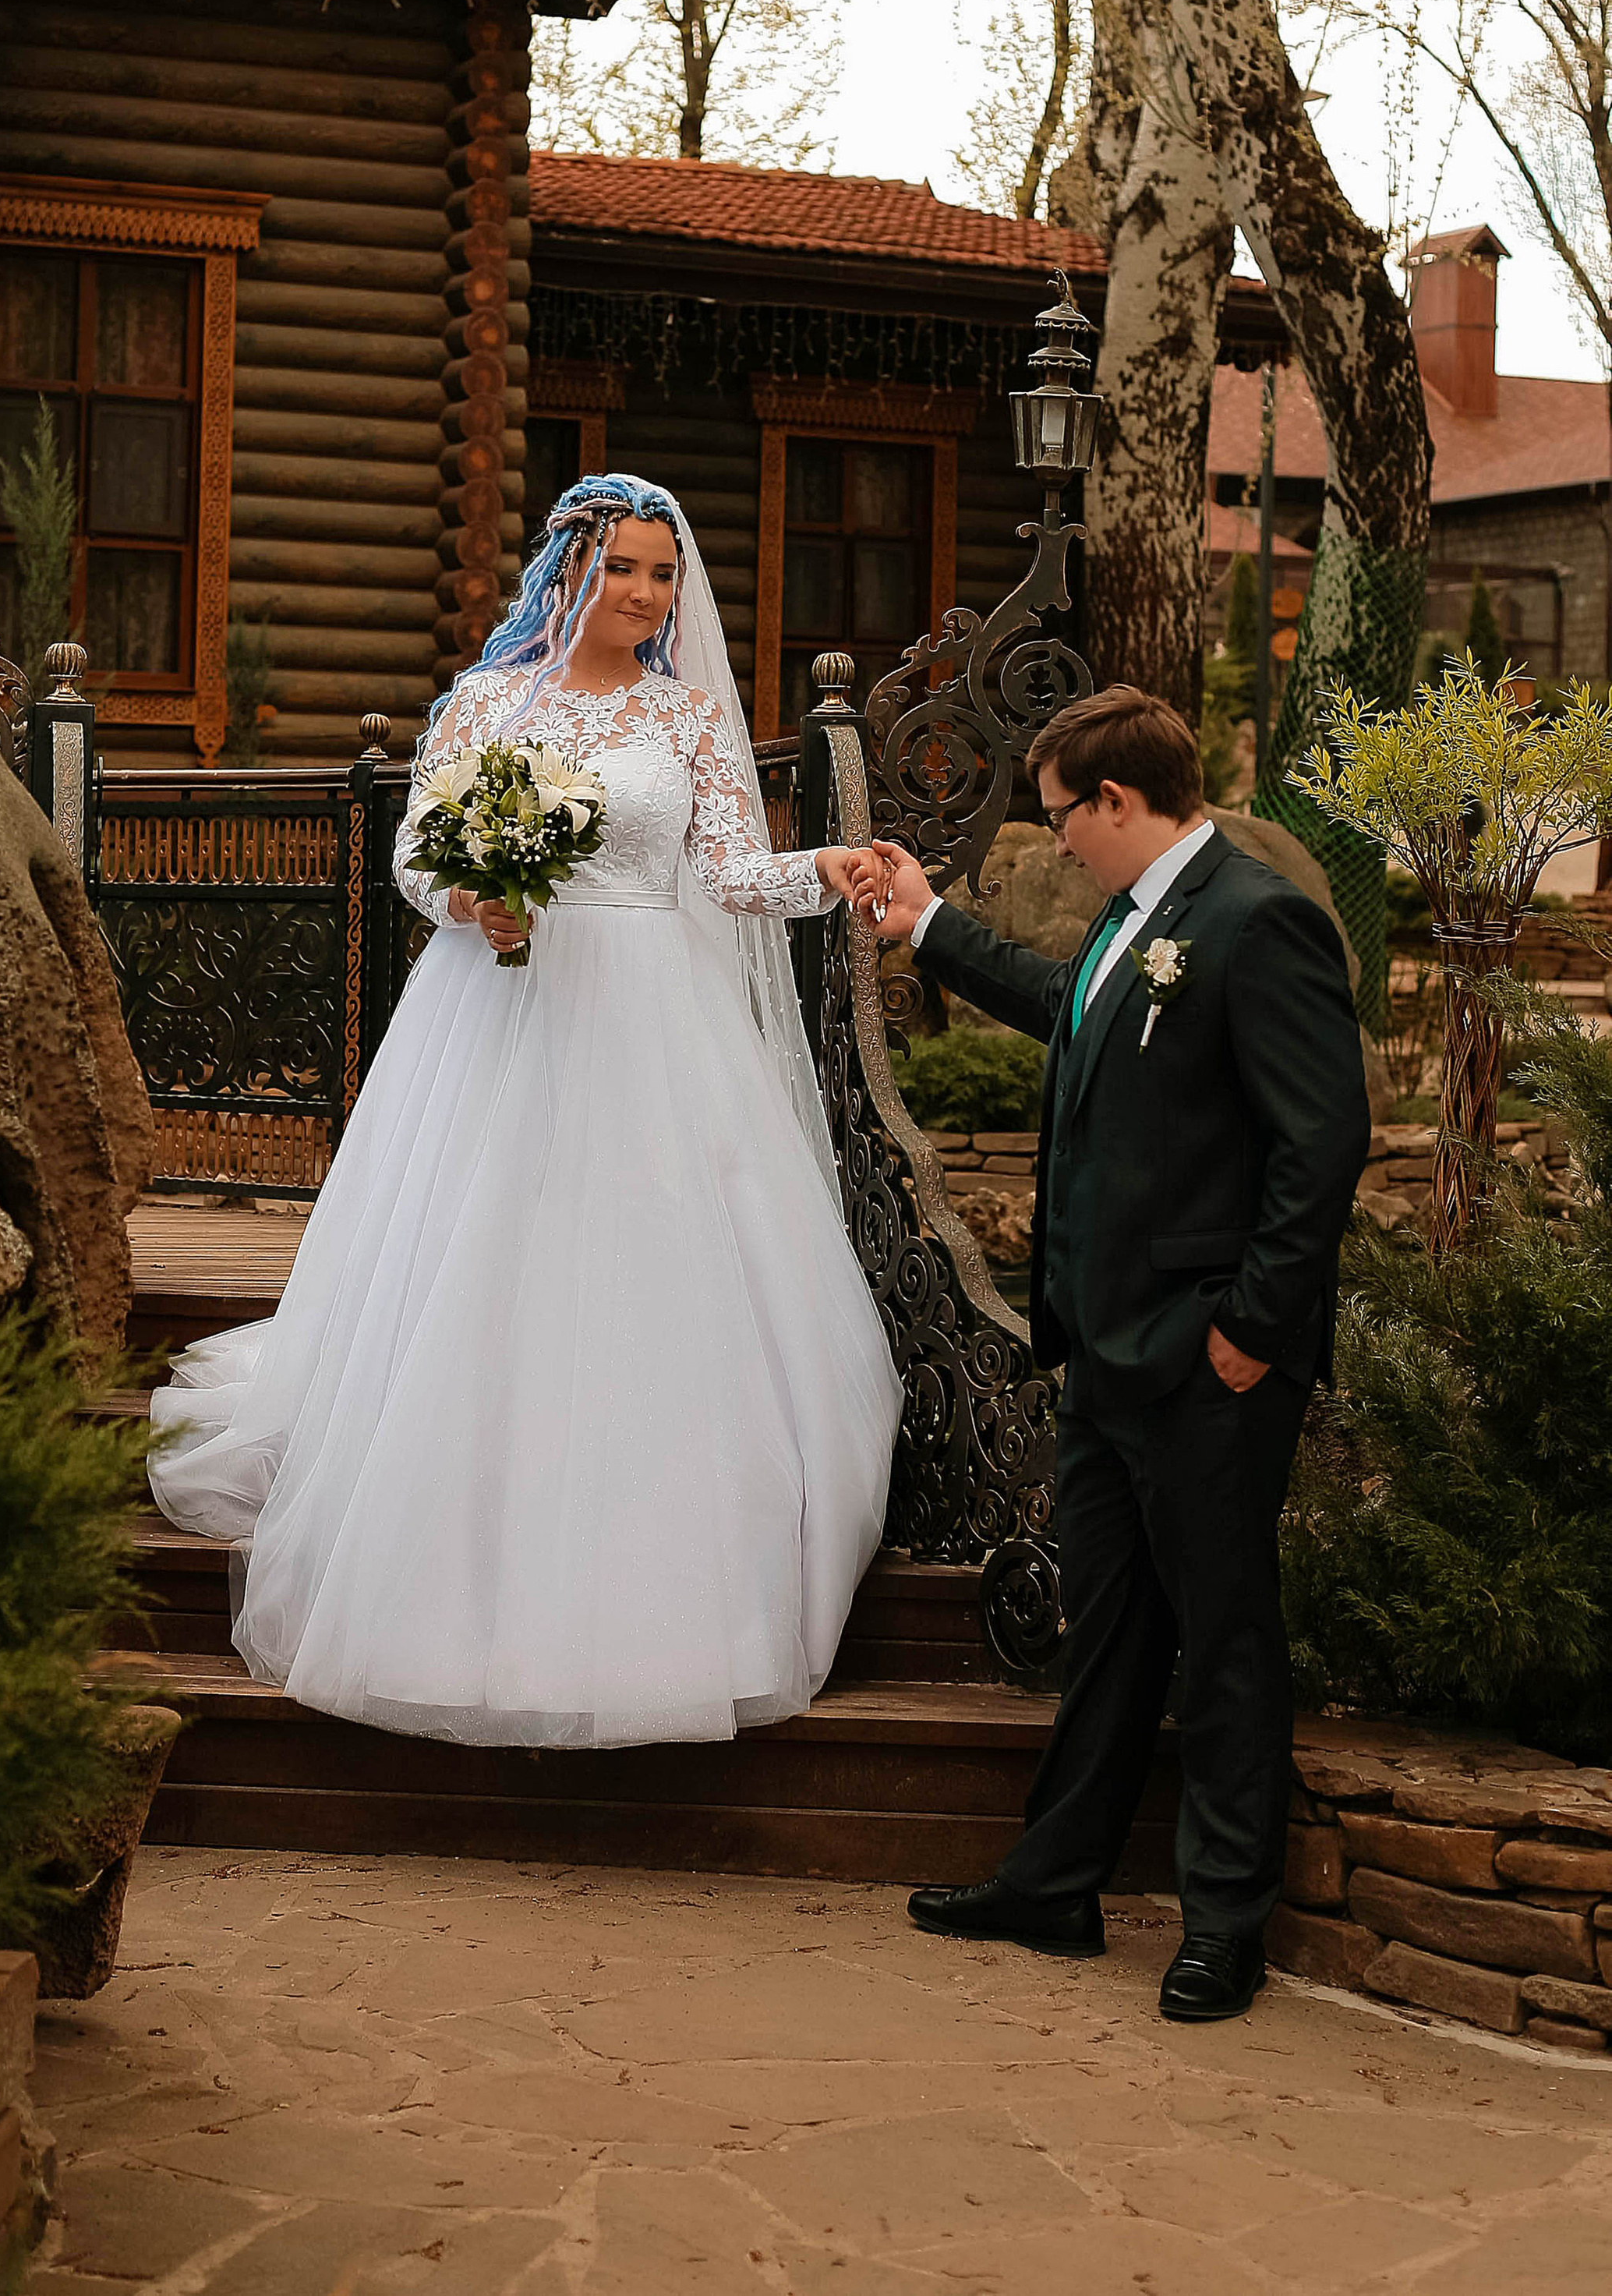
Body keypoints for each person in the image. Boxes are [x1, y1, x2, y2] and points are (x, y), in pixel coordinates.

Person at [150, 474, 903, 1748]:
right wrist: (473, 900)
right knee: (483, 1258)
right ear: (571, 571)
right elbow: (412, 857)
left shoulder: (687, 718)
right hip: (501, 1011)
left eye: (665, 574)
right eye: (626, 569)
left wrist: (821, 869)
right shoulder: (493, 703)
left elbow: (722, 874)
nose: (649, 595)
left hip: (655, 1020)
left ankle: (662, 1588)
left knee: (647, 1285)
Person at [868, 686, 1369, 2022]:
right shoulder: (1131, 921)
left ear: (1117, 802)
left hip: (1210, 1361)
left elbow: (1320, 1147)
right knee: (1110, 1636)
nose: (1054, 842)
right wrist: (931, 928)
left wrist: (1253, 1331)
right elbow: (1070, 1011)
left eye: (1059, 818)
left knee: (1224, 1638)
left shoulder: (1263, 923)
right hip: (1101, 1356)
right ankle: (1057, 1881)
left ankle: (1222, 1925)